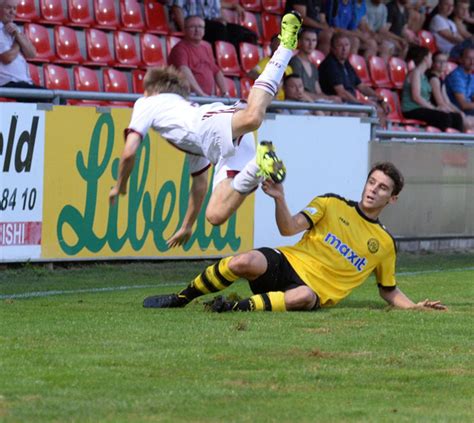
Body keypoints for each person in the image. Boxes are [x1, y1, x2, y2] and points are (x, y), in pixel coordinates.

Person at [143, 161, 447, 313]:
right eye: (371, 182)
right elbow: (288, 228)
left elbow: (388, 289)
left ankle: (234, 307)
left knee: (302, 297)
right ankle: (181, 298)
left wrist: (413, 307)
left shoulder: (384, 243)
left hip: (311, 290)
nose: (373, 190)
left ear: (392, 199)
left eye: (382, 188)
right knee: (244, 261)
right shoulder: (330, 204)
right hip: (287, 262)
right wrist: (279, 197)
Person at [109, 12, 302, 247]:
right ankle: (257, 165)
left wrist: (120, 184)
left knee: (253, 117)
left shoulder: (148, 101)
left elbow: (129, 152)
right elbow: (199, 185)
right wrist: (187, 226)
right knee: (215, 215)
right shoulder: (183, 129)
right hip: (219, 146)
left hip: (211, 123)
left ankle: (284, 48)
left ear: (152, 89)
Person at [318, 33, 390, 124]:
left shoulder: (345, 63)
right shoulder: (330, 64)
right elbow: (342, 92)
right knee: (366, 113)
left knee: (379, 110)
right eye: (340, 45)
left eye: (347, 45)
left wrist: (381, 100)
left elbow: (362, 87)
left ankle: (376, 137)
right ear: (332, 48)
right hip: (338, 105)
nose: (344, 49)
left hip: (349, 104)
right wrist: (360, 105)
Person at [401, 46, 464, 130]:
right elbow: (416, 97)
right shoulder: (415, 72)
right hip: (412, 109)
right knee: (444, 117)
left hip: (421, 108)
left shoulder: (423, 75)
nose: (431, 60)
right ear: (425, 58)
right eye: (430, 57)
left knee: (457, 117)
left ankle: (455, 141)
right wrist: (434, 108)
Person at [168, 16, 228, 97]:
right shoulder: (179, 49)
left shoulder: (207, 46)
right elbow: (184, 72)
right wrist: (201, 94)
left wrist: (225, 93)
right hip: (188, 97)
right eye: (192, 27)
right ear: (184, 29)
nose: (197, 30)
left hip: (205, 97)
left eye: (200, 27)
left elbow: (216, 71)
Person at [169, 0, 257, 55]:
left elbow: (216, 11)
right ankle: (217, 58)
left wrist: (221, 19)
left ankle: (231, 59)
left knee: (248, 35)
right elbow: (176, 8)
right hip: (193, 23)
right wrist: (185, 30)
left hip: (210, 23)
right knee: (220, 29)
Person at [0, 0, 42, 101]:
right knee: (51, 100)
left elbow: (32, 54)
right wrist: (18, 42)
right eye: (8, 8)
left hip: (23, 84)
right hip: (7, 84)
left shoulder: (15, 29)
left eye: (14, 8)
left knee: (56, 98)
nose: (12, 12)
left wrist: (17, 35)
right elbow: (7, 58)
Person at [288, 28, 342, 103]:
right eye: (307, 40)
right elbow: (299, 92)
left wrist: (329, 97)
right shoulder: (295, 62)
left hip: (314, 101)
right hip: (300, 102)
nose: (311, 44)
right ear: (299, 42)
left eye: (314, 40)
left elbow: (318, 91)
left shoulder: (313, 66)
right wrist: (327, 98)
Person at [427, 51, 474, 130]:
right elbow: (442, 103)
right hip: (444, 112)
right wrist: (458, 112)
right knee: (467, 122)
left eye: (444, 61)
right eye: (439, 61)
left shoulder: (441, 79)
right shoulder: (435, 79)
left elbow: (447, 102)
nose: (472, 62)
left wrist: (458, 112)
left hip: (458, 111)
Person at [247, 34, 293, 101]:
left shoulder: (288, 68)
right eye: (278, 45)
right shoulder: (265, 62)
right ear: (271, 46)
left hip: (286, 101)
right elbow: (251, 73)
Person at [445, 46, 474, 116]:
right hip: (456, 112)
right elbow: (463, 105)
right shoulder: (456, 76)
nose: (472, 62)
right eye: (468, 58)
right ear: (460, 60)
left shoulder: (471, 76)